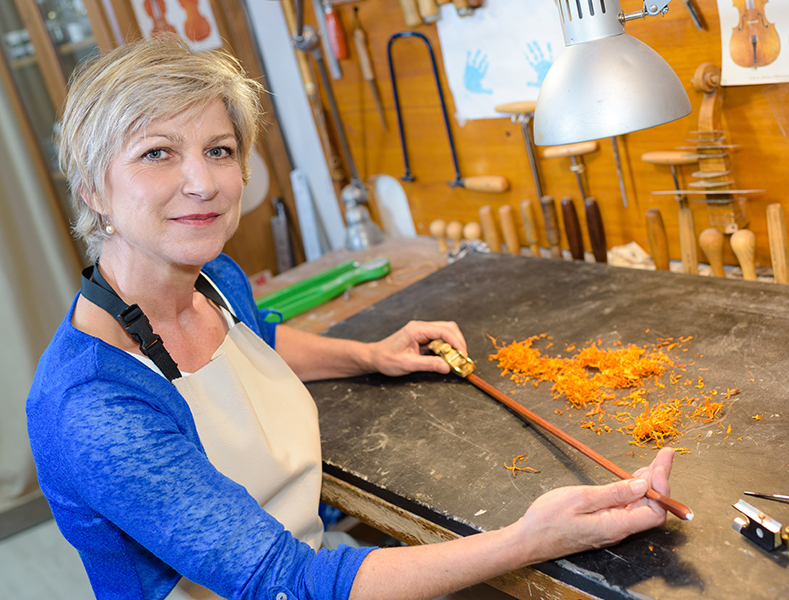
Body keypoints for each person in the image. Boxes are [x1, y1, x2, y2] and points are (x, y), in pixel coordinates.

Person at [27, 34, 676, 600]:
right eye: (157, 153)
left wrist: (370, 354)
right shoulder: (93, 406)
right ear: (91, 187)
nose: (203, 182)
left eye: (220, 150)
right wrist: (528, 540)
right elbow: (287, 585)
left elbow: (256, 340)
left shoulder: (216, 282)